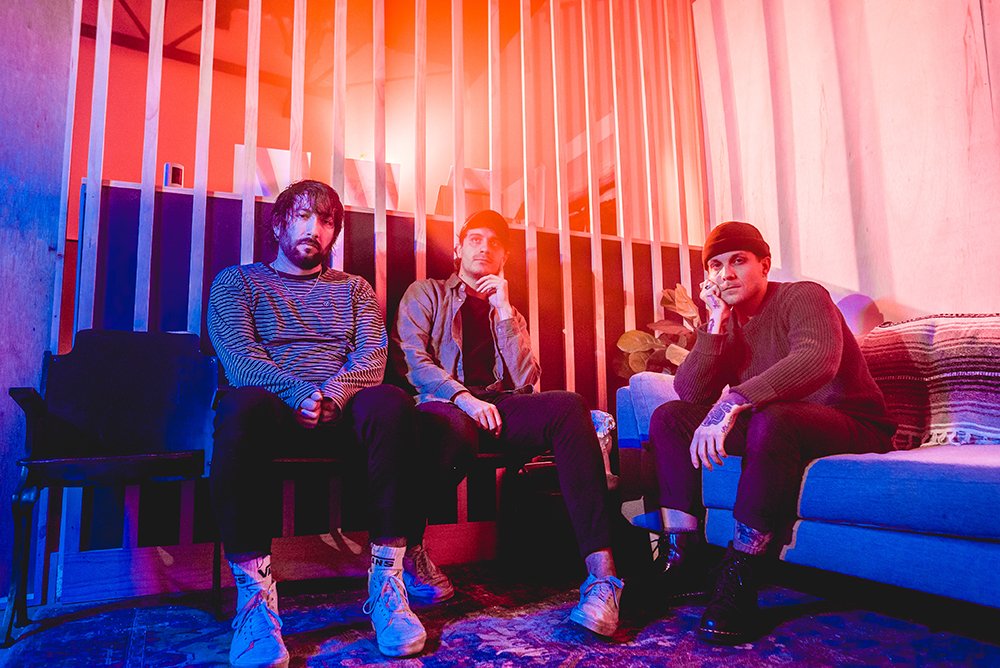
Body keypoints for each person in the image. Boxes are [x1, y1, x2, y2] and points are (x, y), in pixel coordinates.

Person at [208, 180, 446, 665]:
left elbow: (372, 355)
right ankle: (254, 603)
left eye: (326, 221)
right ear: (279, 224)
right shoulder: (237, 282)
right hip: (273, 407)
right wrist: (296, 392)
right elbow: (239, 357)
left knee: (392, 402)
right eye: (302, 216)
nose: (313, 229)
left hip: (344, 409)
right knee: (238, 407)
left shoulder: (354, 288)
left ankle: (388, 584)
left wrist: (334, 395)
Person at [647, 220, 896, 644]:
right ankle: (685, 560)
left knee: (773, 416)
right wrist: (715, 324)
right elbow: (690, 393)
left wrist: (733, 400)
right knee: (671, 417)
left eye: (738, 261)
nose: (726, 274)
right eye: (715, 266)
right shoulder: (729, 322)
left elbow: (817, 358)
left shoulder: (803, 295)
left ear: (764, 265)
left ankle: (742, 575)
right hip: (780, 426)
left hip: (850, 422)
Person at [392, 209, 624, 637]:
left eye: (495, 242)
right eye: (475, 239)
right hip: (442, 403)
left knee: (569, 406)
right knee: (456, 431)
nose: (484, 248)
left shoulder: (508, 312)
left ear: (504, 258)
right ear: (459, 249)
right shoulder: (427, 293)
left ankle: (603, 577)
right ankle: (411, 550)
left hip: (498, 405)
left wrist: (502, 311)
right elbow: (412, 361)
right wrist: (462, 398)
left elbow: (525, 380)